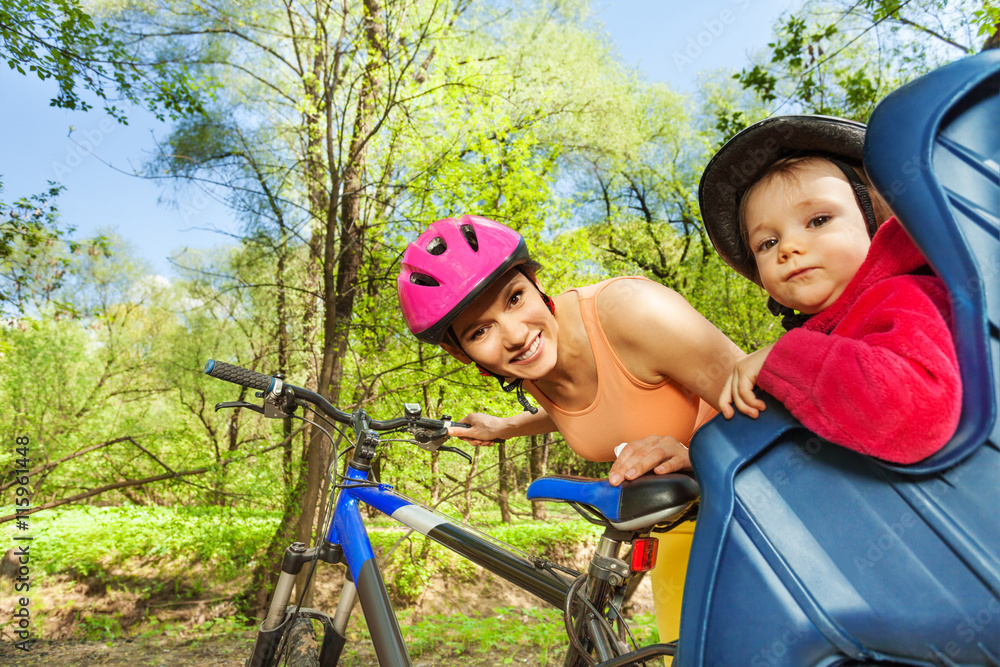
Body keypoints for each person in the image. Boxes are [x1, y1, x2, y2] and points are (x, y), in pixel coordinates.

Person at [396, 214, 744, 641]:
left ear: (537, 284)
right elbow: (590, 407)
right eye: (480, 331)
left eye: (515, 298)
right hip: (679, 525)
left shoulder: (631, 312)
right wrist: (504, 427)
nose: (516, 335)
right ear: (462, 353)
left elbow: (768, 404)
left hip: (752, 505)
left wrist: (698, 457)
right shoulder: (531, 369)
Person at [698, 115, 962, 463]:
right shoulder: (808, 347)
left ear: (874, 222)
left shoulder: (903, 296)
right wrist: (696, 462)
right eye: (767, 242)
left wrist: (786, 357)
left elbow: (917, 418)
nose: (788, 247)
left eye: (818, 220)